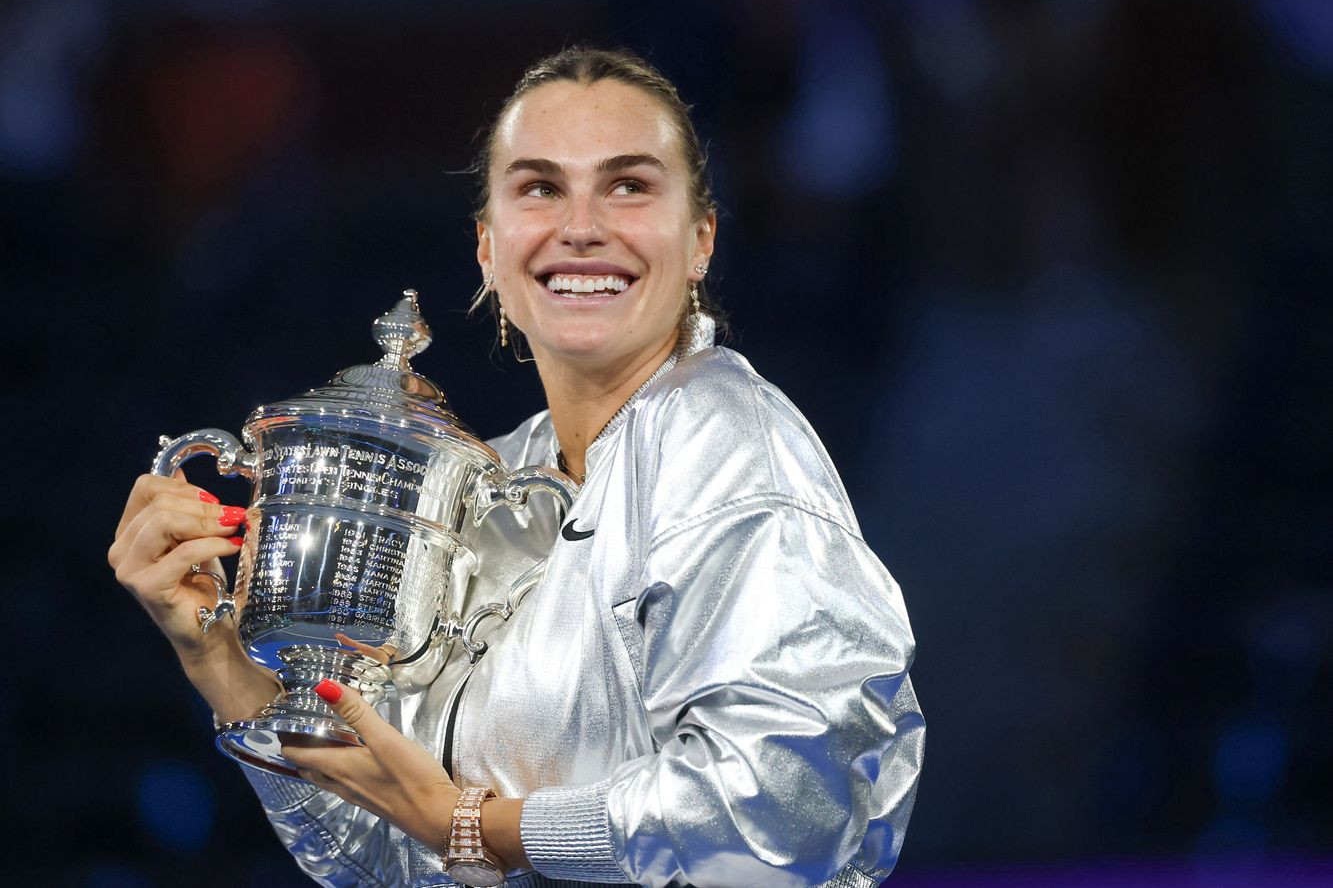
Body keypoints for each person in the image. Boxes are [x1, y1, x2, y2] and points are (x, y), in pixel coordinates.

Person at [108, 47, 925, 888]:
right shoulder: (492, 474)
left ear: (700, 242)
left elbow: (785, 808)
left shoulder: (724, 437)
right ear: (488, 251)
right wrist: (216, 659)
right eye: (539, 188)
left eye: (628, 186)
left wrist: (478, 826)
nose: (581, 226)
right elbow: (389, 861)